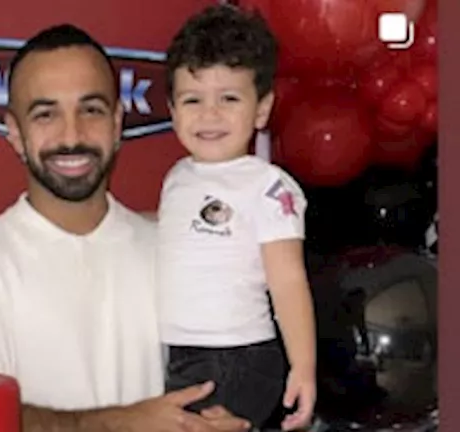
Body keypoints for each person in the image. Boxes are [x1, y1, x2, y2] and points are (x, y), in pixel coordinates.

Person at [0, 23, 251, 432]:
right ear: (15, 132)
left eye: (91, 110)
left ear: (117, 123)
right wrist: (120, 424)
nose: (72, 135)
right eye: (46, 114)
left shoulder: (172, 250)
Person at [157, 5, 317, 431]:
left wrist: (303, 367)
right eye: (193, 100)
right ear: (172, 110)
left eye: (229, 98)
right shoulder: (177, 177)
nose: (209, 114)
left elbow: (288, 281)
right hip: (182, 351)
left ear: (261, 109)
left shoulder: (268, 186)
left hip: (237, 355)